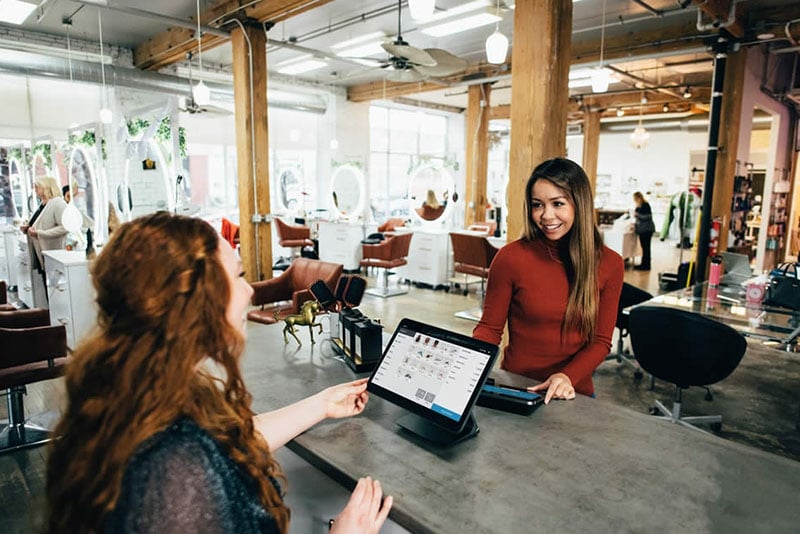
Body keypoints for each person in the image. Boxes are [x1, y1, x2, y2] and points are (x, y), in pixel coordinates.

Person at [46, 212, 393, 533]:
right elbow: (200, 457)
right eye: (239, 276)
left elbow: (228, 443)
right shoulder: (175, 474)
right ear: (195, 300)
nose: (249, 291)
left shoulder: (137, 389)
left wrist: (322, 404)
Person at [473, 158, 624, 403]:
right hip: (516, 387)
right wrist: (468, 364)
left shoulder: (610, 264)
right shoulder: (511, 258)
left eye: (558, 203)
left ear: (579, 204)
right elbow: (489, 330)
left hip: (573, 392)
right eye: (537, 205)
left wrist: (566, 376)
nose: (546, 215)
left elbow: (601, 341)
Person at [21, 176, 67, 273]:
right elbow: (37, 223)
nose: (35, 189)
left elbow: (64, 227)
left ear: (46, 187)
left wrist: (39, 233)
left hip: (52, 251)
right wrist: (27, 228)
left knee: (52, 283)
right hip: (39, 250)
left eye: (37, 187)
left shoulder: (58, 203)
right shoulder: (43, 203)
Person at [632, 191, 656, 271]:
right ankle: (644, 264)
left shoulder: (645, 205)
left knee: (646, 248)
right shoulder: (639, 206)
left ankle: (646, 265)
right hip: (642, 230)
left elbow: (647, 217)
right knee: (644, 248)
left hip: (646, 230)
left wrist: (637, 215)